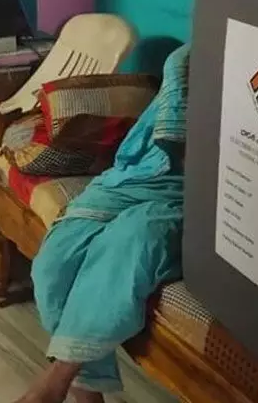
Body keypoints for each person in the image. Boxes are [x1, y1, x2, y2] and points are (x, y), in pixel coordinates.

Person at [16, 45, 189, 403]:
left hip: (193, 192)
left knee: (133, 240)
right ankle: (88, 395)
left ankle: (58, 378)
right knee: (54, 262)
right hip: (133, 177)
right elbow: (168, 143)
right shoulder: (187, 59)